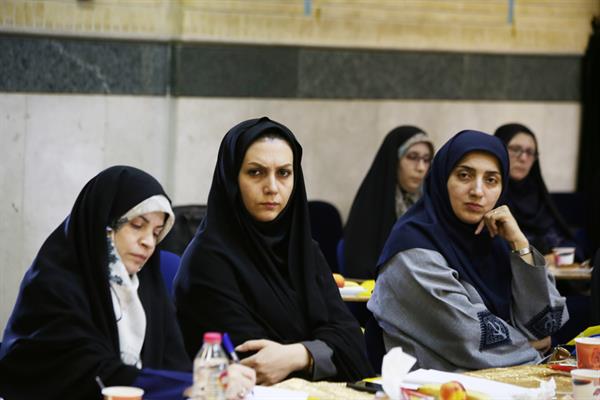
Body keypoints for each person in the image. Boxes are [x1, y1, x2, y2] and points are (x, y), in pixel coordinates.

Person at [0, 166, 255, 400]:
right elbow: (94, 375)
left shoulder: (147, 288)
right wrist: (195, 385)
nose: (149, 242)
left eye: (156, 233)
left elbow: (174, 366)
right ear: (104, 225)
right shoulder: (55, 286)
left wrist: (205, 383)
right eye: (137, 226)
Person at [174, 117, 373, 385]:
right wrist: (323, 349)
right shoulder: (207, 261)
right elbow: (255, 364)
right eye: (255, 172)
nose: (272, 187)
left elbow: (354, 346)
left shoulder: (304, 251)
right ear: (231, 178)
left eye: (284, 173)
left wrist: (300, 355)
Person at [368, 130, 568, 371]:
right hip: (435, 386)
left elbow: (545, 326)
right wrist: (532, 347)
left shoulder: (496, 241)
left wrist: (520, 245)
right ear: (442, 178)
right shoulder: (411, 249)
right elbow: (470, 338)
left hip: (506, 381)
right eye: (464, 175)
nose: (478, 191)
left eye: (491, 180)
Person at [343, 126, 434, 278]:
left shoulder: (430, 205)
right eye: (412, 157)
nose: (421, 168)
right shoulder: (372, 204)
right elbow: (358, 267)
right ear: (394, 160)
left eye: (426, 160)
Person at [494, 123, 577, 258]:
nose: (523, 158)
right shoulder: (488, 198)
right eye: (515, 149)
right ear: (499, 150)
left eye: (530, 152)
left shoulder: (538, 196)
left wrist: (560, 256)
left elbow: (567, 242)